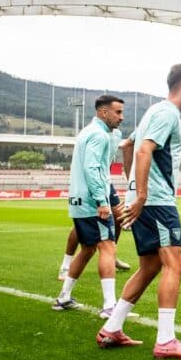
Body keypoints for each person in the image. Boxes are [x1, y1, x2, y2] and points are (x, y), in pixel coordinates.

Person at [96, 64, 181, 359]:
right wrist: (141, 194)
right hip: (157, 201)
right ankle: (166, 341)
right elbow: (143, 150)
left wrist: (132, 186)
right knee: (176, 264)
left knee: (150, 266)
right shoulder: (167, 113)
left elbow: (128, 143)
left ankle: (112, 328)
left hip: (148, 199)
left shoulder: (155, 112)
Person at [52, 95, 125, 320]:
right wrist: (102, 202)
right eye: (118, 112)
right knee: (107, 247)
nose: (121, 117)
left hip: (79, 199)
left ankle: (63, 297)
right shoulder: (98, 135)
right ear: (103, 113)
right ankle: (110, 306)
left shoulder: (86, 132)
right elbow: (92, 169)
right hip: (92, 202)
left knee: (88, 249)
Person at [58, 128, 132, 282]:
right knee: (81, 224)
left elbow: (109, 159)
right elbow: (88, 164)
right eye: (117, 112)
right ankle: (65, 266)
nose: (120, 117)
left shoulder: (117, 134)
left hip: (105, 181)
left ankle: (111, 256)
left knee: (119, 216)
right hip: (88, 181)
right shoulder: (95, 133)